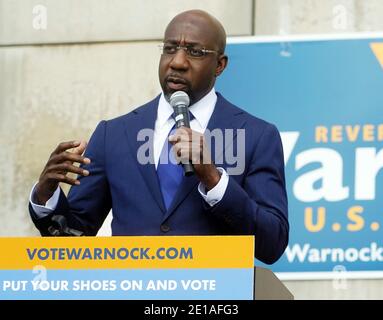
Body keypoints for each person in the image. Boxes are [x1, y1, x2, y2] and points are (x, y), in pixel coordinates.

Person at [29, 10, 288, 264]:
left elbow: (272, 242)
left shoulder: (256, 136)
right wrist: (46, 196)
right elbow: (73, 239)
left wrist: (214, 179)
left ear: (220, 65)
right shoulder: (114, 134)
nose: (177, 62)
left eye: (195, 52)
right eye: (170, 48)